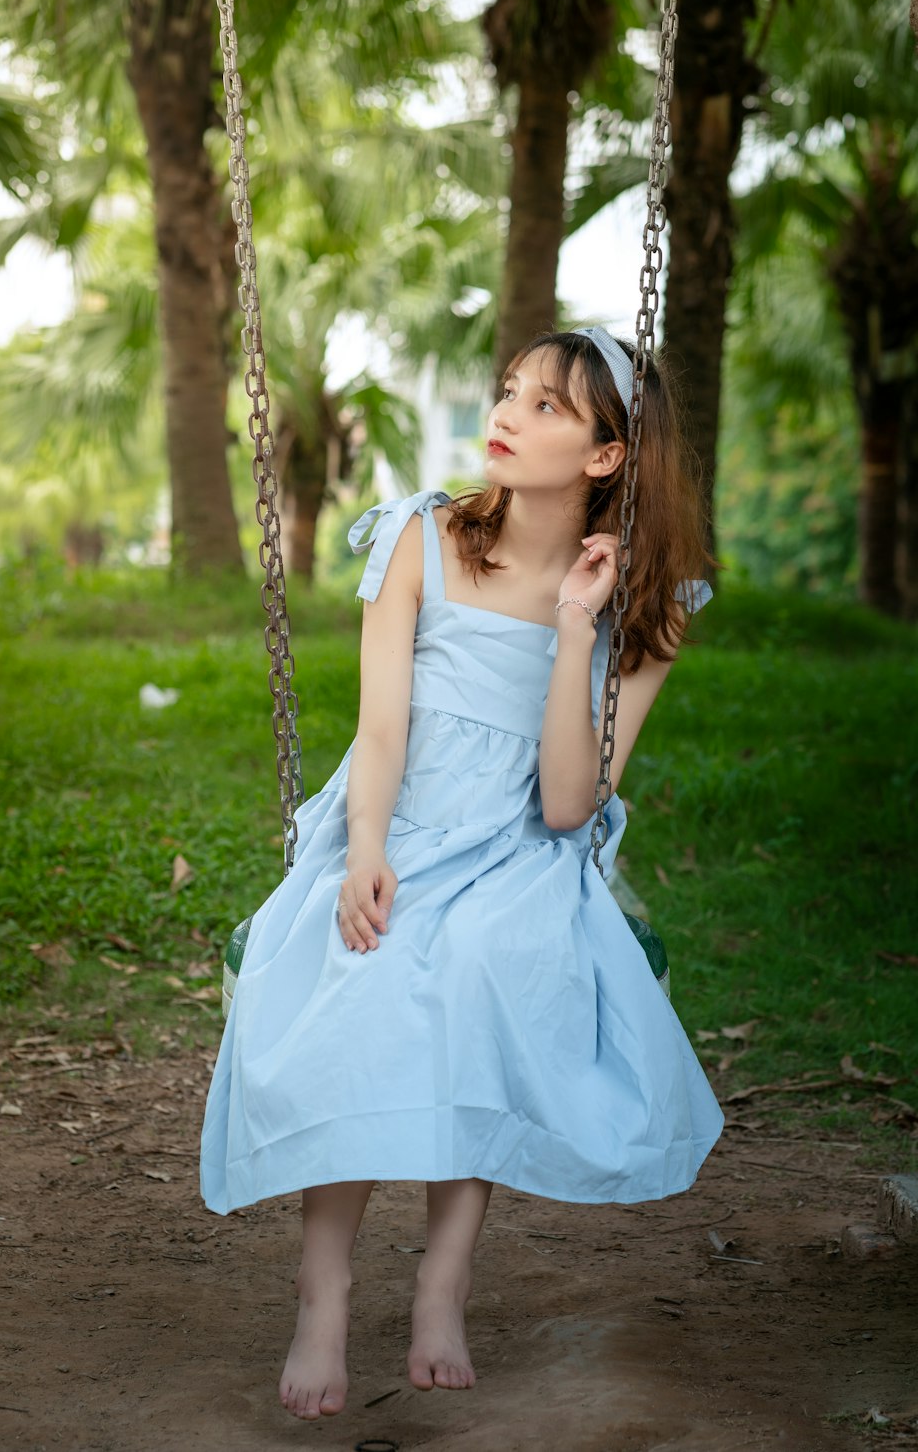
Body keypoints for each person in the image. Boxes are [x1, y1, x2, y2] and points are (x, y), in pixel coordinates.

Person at [199, 326, 724, 1422]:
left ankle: (443, 1281)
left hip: (520, 850)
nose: (507, 415)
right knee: (370, 976)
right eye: (508, 392)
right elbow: (380, 728)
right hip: (397, 822)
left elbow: (569, 805)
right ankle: (324, 1292)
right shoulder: (423, 539)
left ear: (605, 457)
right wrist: (369, 850)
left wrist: (576, 627)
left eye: (546, 408)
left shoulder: (643, 608)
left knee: (489, 966)